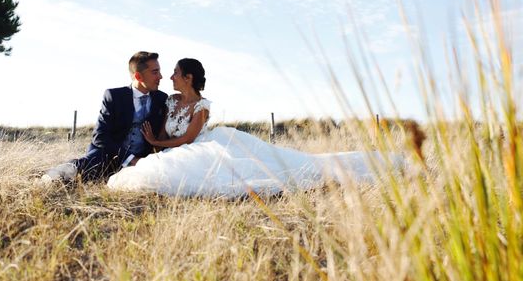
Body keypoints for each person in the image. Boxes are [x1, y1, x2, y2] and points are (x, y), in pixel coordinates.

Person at [107, 57, 405, 197]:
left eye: (174, 73)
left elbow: (187, 137)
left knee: (273, 167)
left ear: (187, 78)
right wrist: (154, 143)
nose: (170, 77)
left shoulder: (202, 107)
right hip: (174, 149)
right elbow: (160, 134)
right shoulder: (169, 102)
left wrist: (159, 145)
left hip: (198, 145)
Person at [43, 51, 168, 182]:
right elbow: (100, 137)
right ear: (138, 76)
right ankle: (55, 176)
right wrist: (129, 159)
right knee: (93, 164)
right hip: (110, 155)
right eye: (155, 72)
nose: (160, 76)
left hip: (143, 160)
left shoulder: (162, 99)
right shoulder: (114, 96)